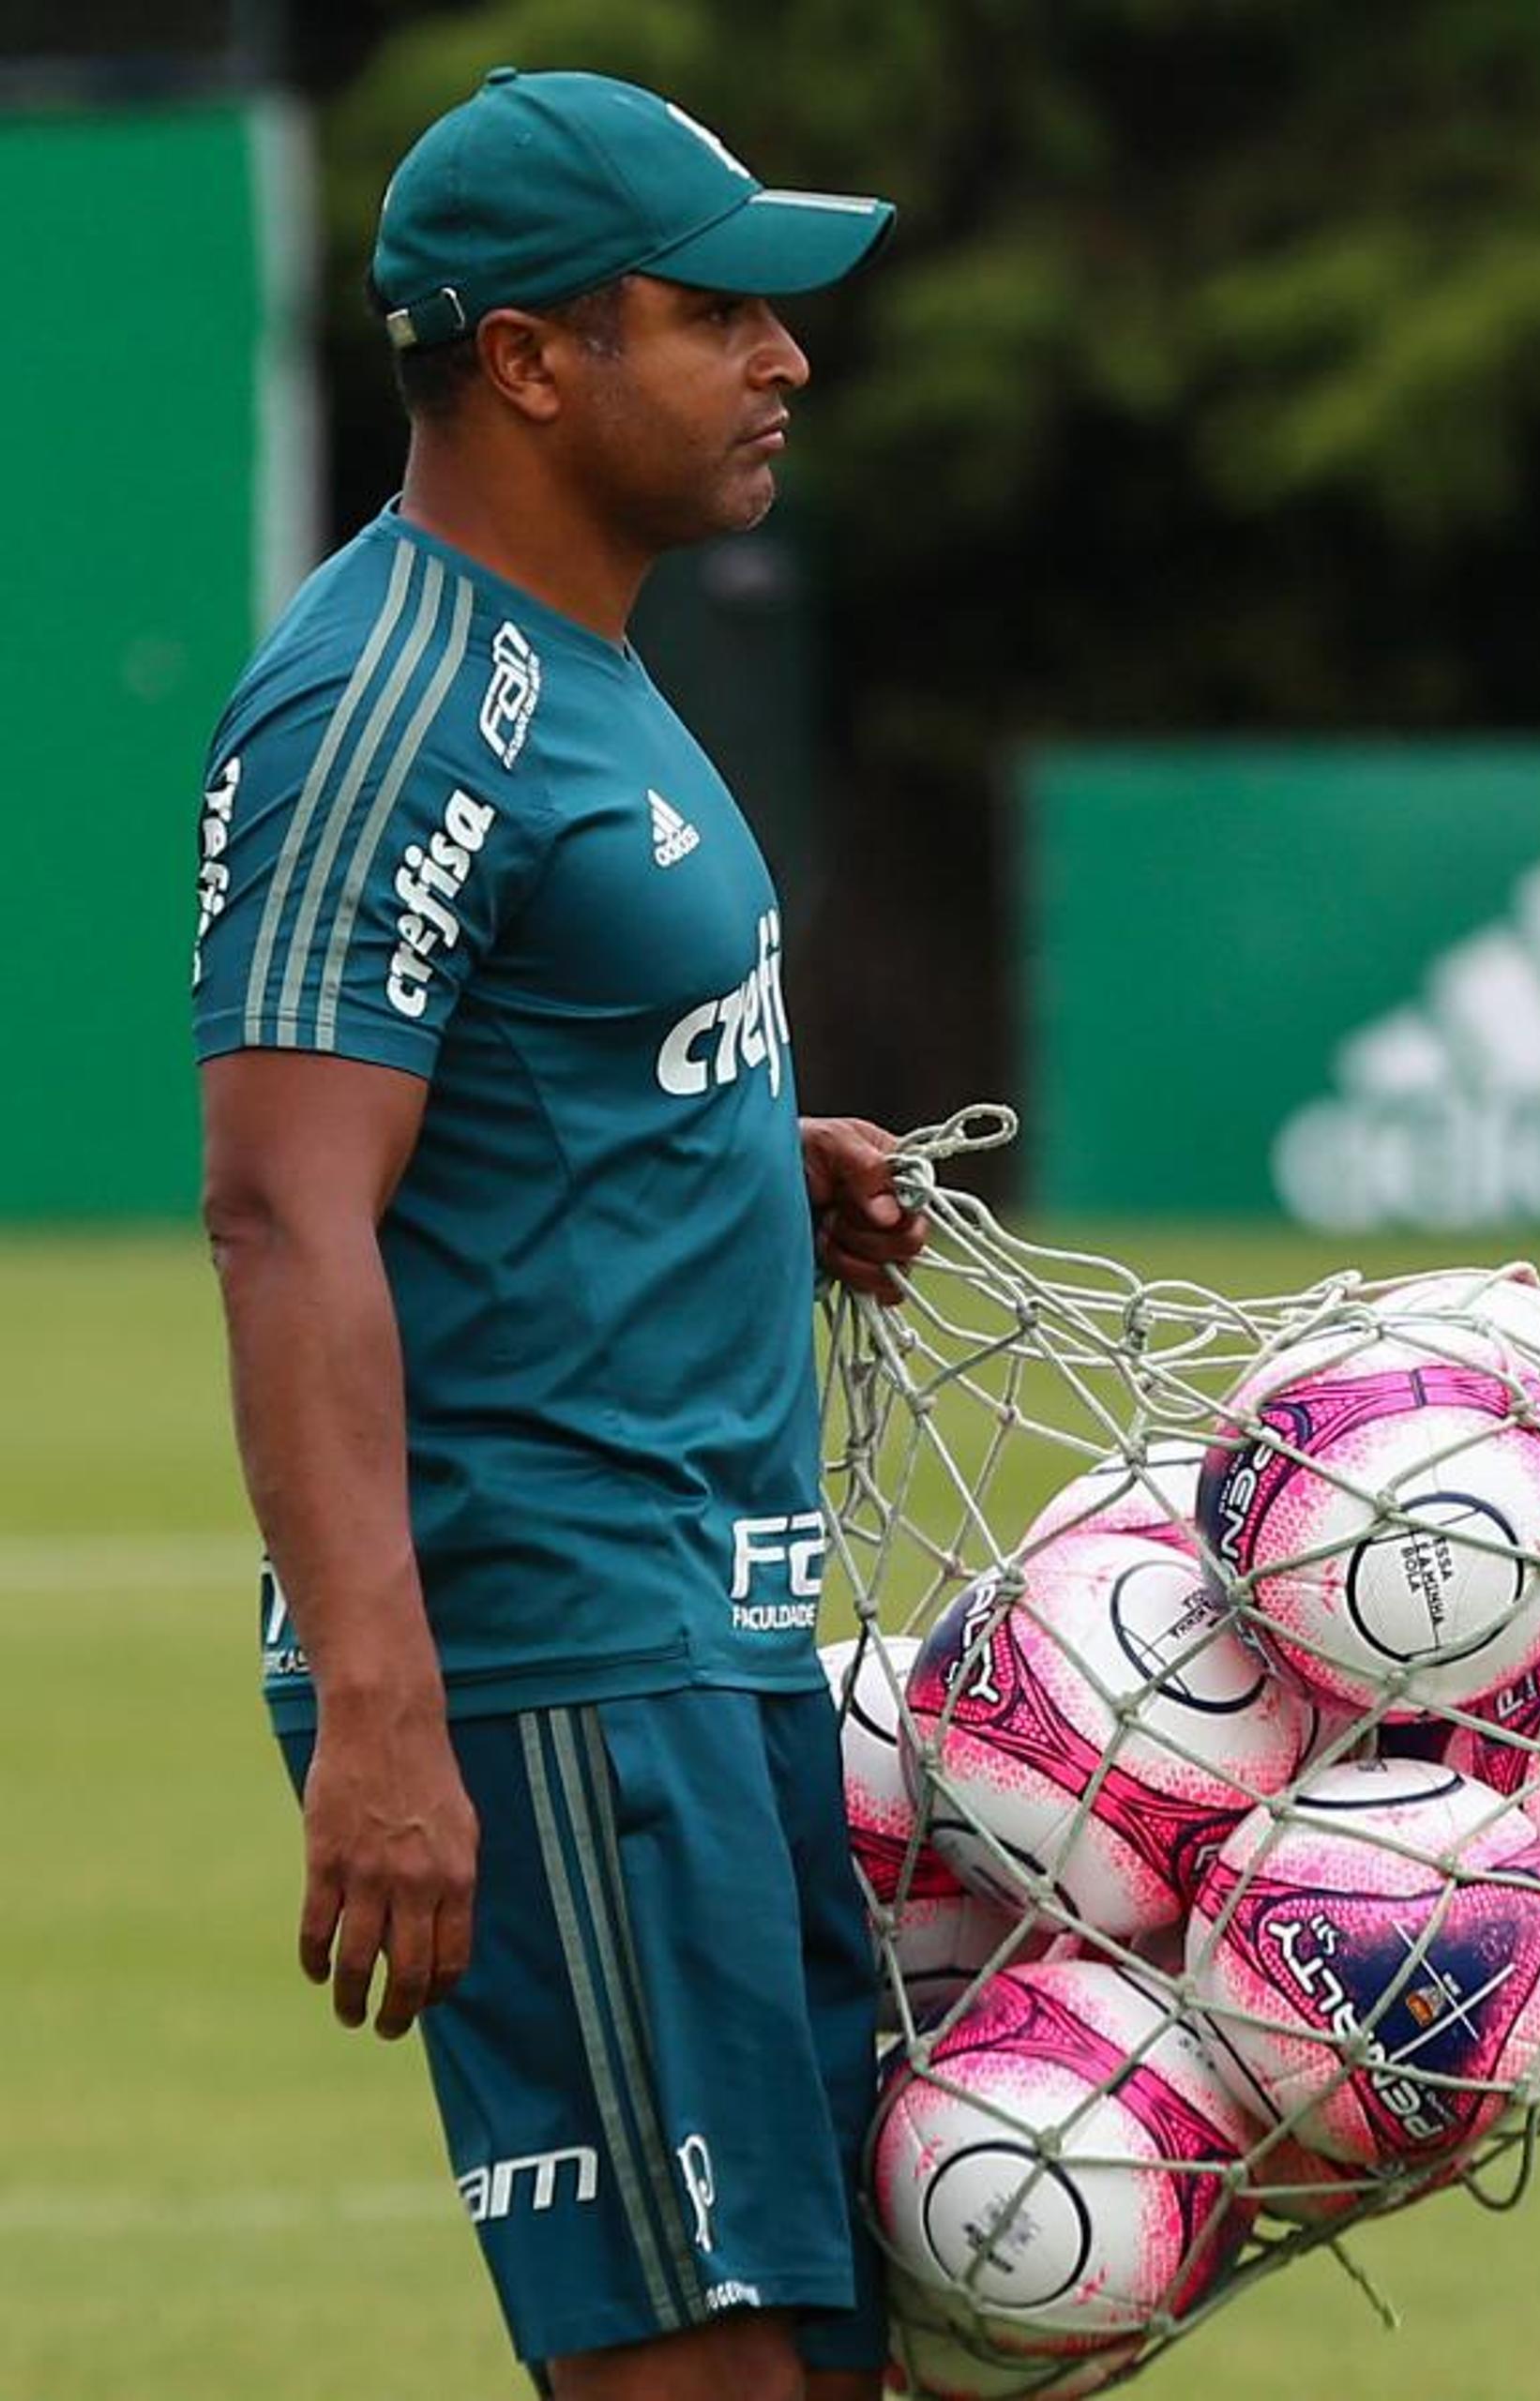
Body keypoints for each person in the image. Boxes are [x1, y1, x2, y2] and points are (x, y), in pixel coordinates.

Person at [191, 67, 924, 2401]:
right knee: (693, 2375)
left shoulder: (589, 667)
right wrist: (387, 1712)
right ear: (527, 356)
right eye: (719, 312)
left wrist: (738, 1146)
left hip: (702, 1648)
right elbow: (284, 1209)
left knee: (817, 2358)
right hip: (556, 1665)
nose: (785, 358)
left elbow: (522, 1069)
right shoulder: (381, 699)